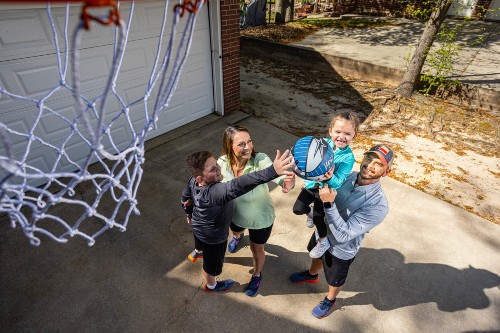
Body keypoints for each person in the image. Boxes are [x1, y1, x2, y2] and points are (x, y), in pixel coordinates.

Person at [186, 125, 294, 296]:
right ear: (230, 146)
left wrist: (286, 179)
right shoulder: (221, 163)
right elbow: (235, 185)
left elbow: (273, 177)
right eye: (241, 144)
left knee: (257, 249)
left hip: (260, 219)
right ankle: (237, 236)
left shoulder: (260, 160)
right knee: (236, 232)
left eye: (249, 142)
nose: (248, 147)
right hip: (234, 217)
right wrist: (189, 209)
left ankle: (257, 275)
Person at [290, 144, 394, 318]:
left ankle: (330, 299)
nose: (370, 165)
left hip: (341, 248)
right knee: (316, 255)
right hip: (322, 232)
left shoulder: (379, 205)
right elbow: (323, 184)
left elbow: (343, 235)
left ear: (386, 171)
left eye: (378, 164)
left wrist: (329, 204)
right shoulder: (348, 175)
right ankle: (312, 274)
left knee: (334, 278)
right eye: (369, 158)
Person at [293, 111, 359, 259]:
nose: (342, 137)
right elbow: (307, 162)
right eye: (338, 131)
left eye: (348, 133)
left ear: (354, 135)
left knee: (318, 219)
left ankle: (323, 241)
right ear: (330, 131)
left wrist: (330, 177)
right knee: (298, 209)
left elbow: (339, 181)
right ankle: (308, 214)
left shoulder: (348, 158)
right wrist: (305, 178)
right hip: (312, 185)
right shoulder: (322, 144)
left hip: (325, 191)